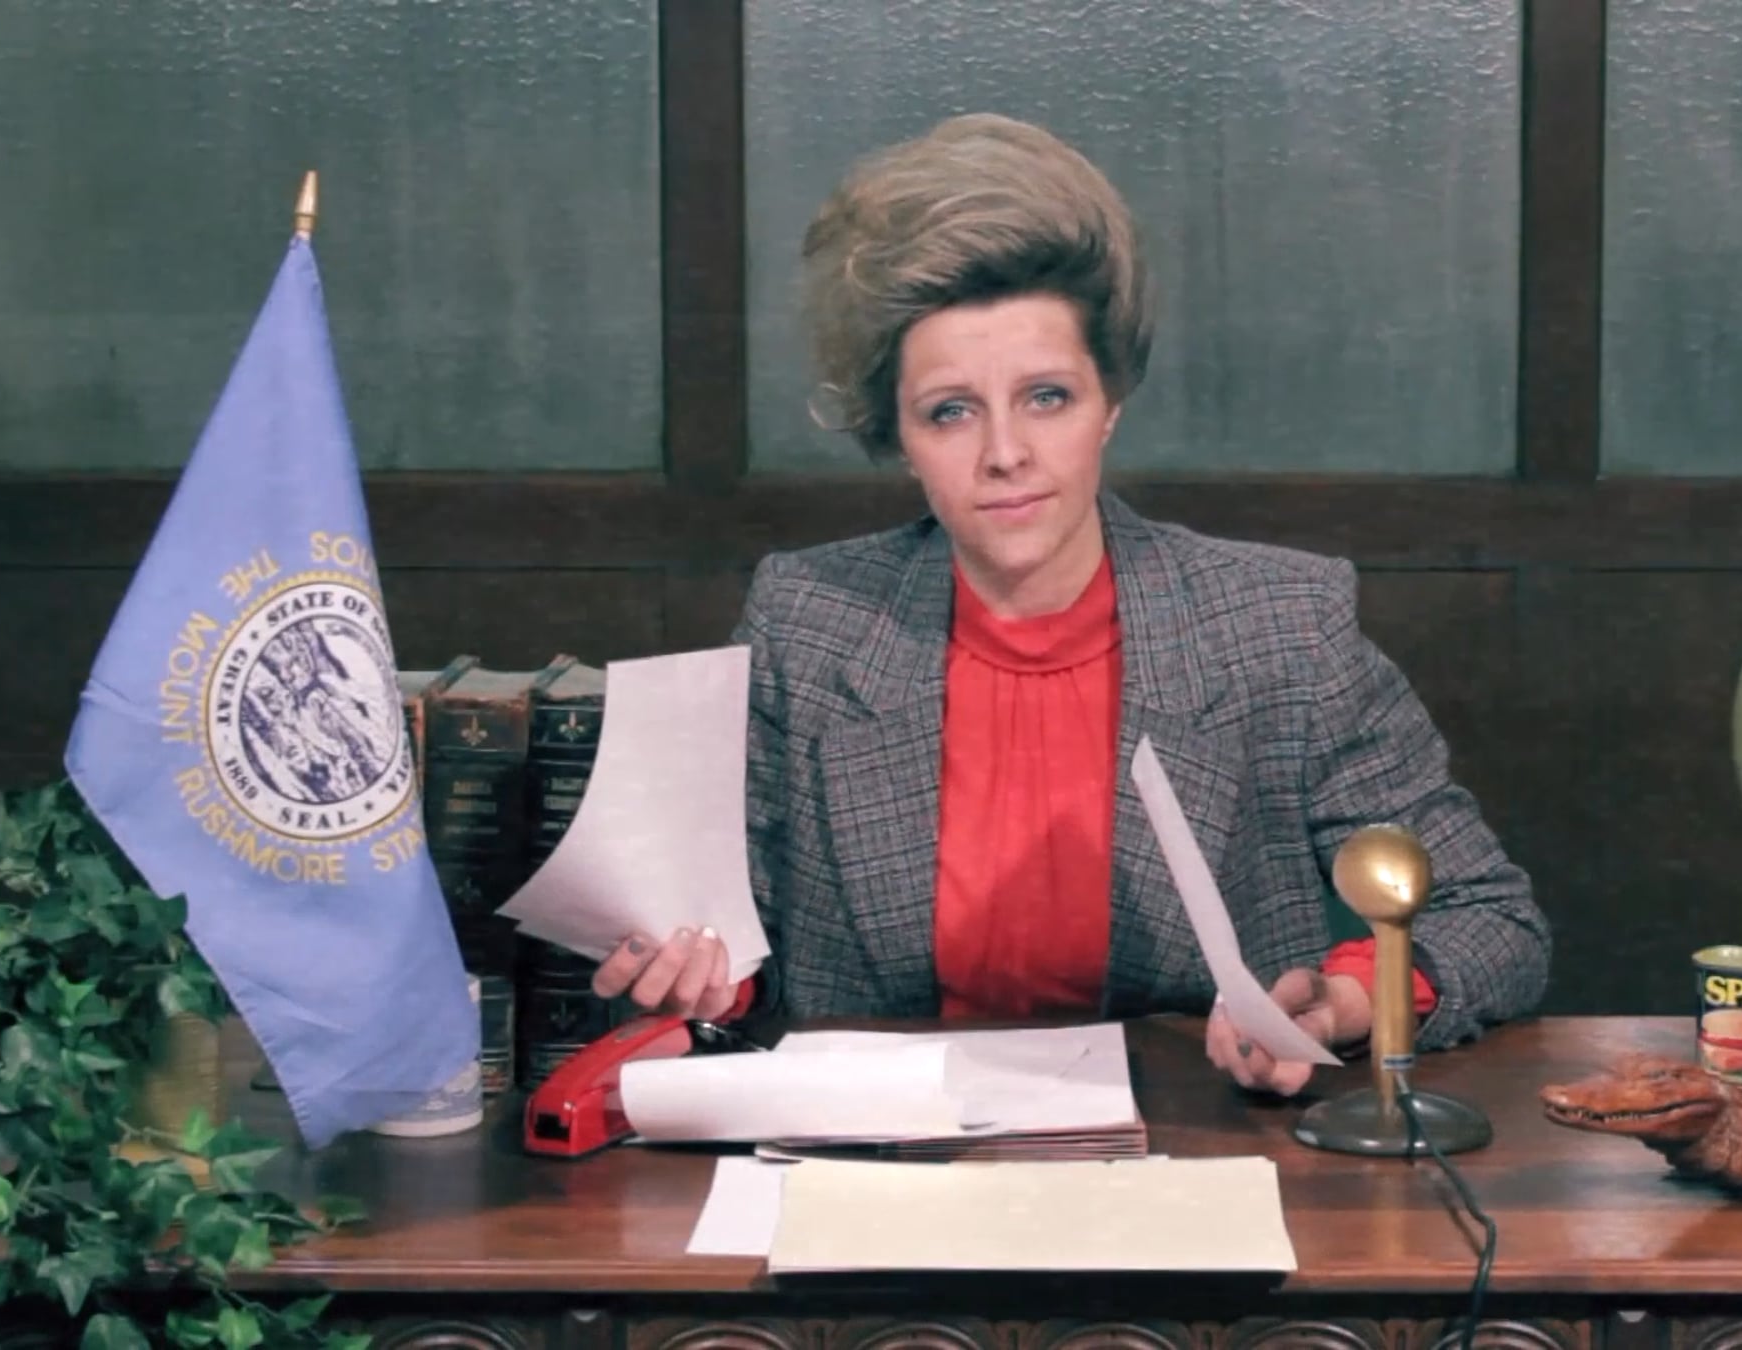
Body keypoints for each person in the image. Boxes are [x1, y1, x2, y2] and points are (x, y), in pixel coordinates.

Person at [592, 113, 1550, 1095]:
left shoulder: (1281, 622)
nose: (1005, 453)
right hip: (881, 1147)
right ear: (899, 438)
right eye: (951, 411)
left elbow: (1488, 921)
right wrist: (706, 978)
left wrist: (1343, 1004)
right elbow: (731, 948)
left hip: (1193, 1137)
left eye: (1046, 397)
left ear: (1110, 405)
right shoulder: (809, 621)